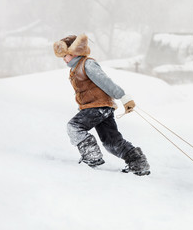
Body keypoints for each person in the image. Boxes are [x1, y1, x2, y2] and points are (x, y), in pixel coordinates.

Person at [53, 34, 150, 176]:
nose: (64, 59)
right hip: (99, 107)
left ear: (74, 53)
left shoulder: (87, 64)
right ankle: (137, 163)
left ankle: (92, 156)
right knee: (111, 142)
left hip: (97, 107)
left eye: (65, 55)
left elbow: (105, 82)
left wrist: (123, 97)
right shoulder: (75, 68)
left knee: (74, 126)